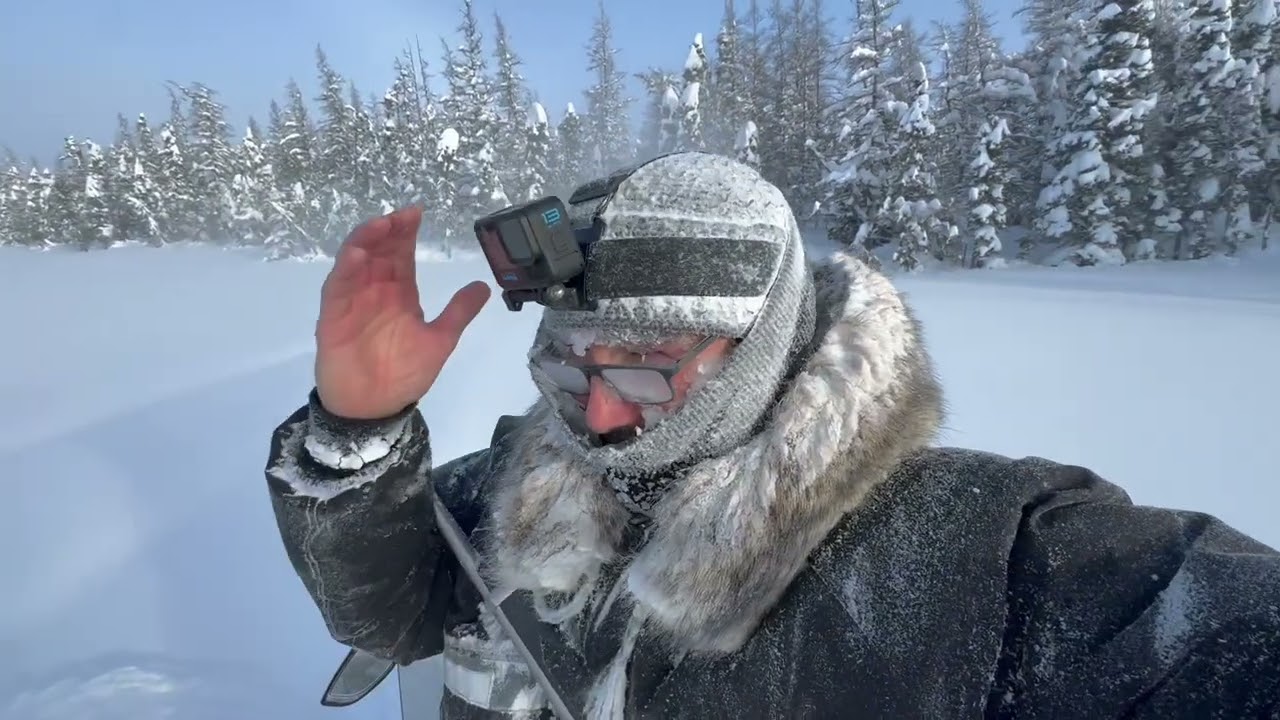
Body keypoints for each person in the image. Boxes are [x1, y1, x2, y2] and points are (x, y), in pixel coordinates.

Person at [263, 152, 1280, 720]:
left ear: (761, 346)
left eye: (645, 366)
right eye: (569, 368)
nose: (599, 420)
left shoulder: (975, 554)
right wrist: (359, 427)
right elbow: (388, 615)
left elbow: (1207, 633)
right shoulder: (522, 485)